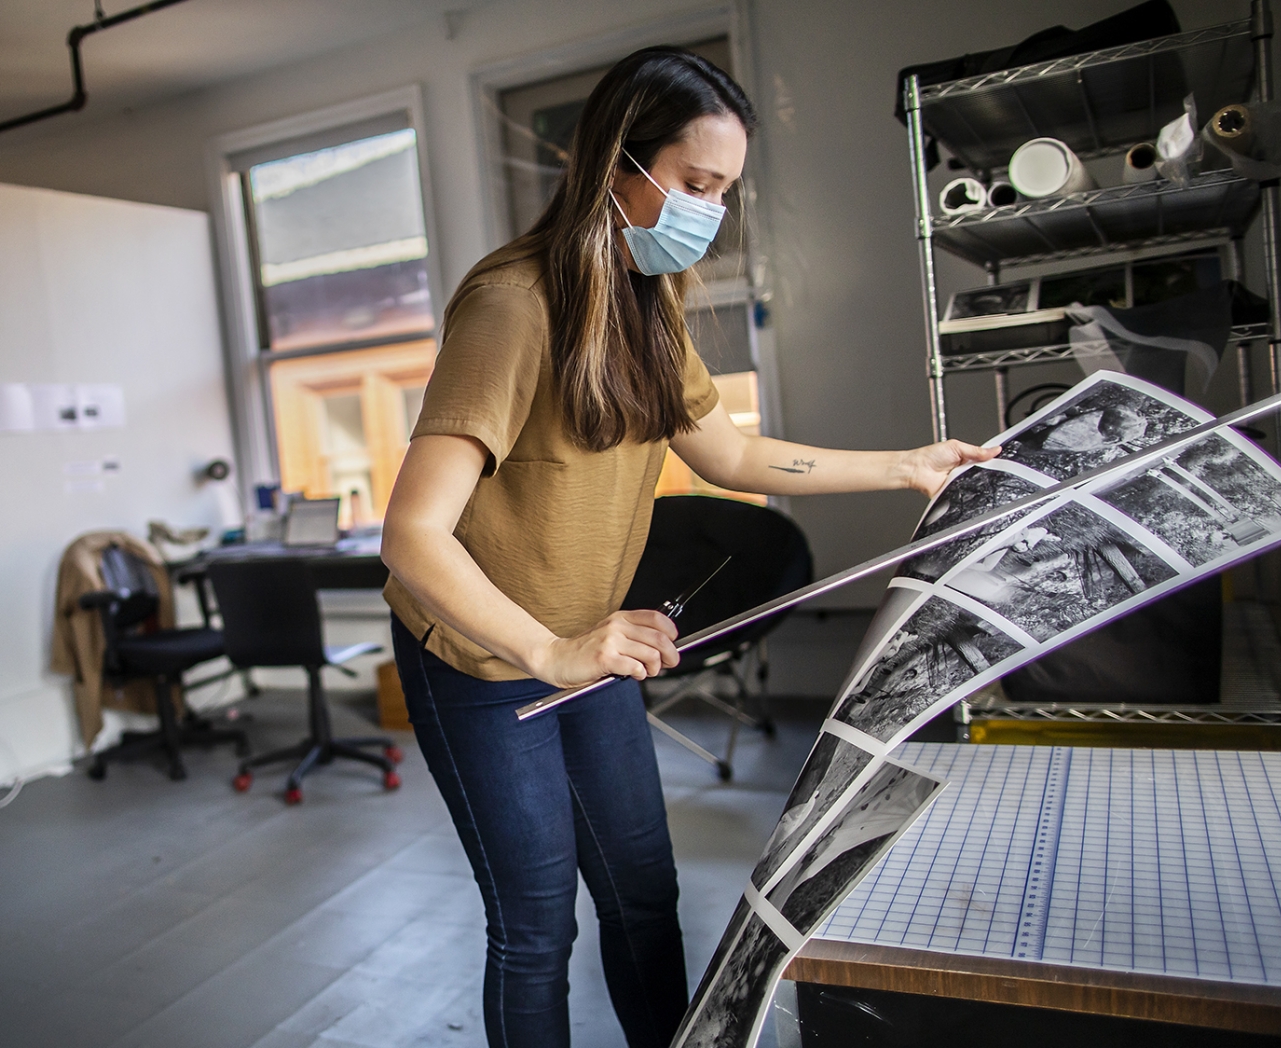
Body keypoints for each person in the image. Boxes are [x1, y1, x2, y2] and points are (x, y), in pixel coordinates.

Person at [379, 46, 998, 1048]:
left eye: (722, 191)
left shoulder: (647, 301)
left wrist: (907, 467)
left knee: (643, 899)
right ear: (615, 164)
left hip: (590, 649)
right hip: (483, 659)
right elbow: (411, 534)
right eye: (694, 184)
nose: (708, 211)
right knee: (536, 928)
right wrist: (549, 651)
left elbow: (731, 453)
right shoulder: (511, 305)